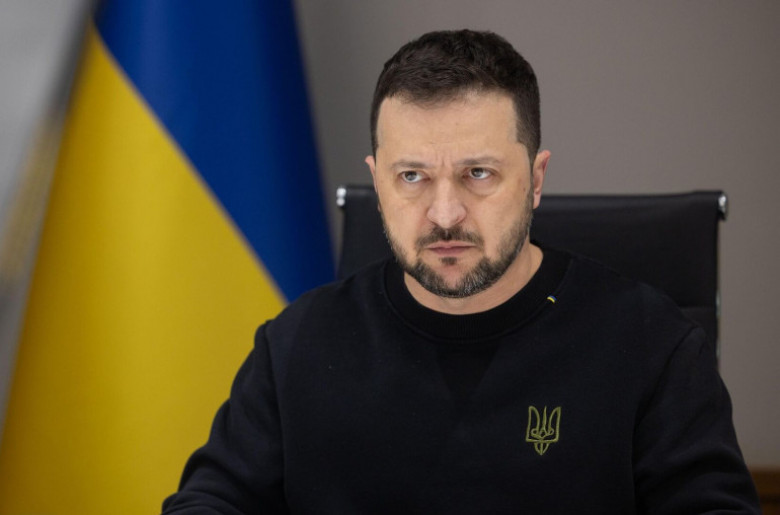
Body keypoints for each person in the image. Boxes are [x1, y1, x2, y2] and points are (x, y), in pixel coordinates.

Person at [162, 30, 760, 514]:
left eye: (478, 174)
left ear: (536, 180)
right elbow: (211, 501)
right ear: (377, 182)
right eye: (412, 176)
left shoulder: (650, 344)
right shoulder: (297, 344)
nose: (444, 214)